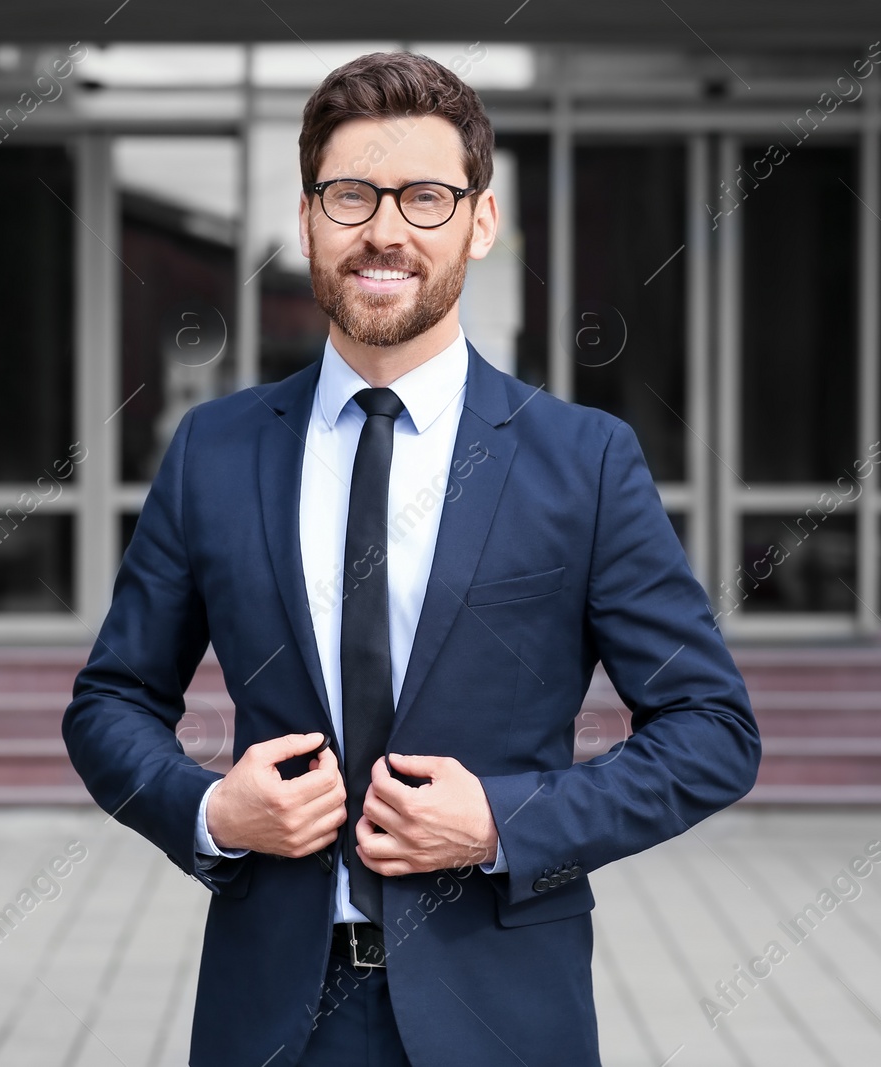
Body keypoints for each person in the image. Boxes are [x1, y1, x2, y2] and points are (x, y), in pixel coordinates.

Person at [63, 50, 760, 1067]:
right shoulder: (214, 450)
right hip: (273, 1016)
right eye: (351, 195)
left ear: (479, 223)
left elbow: (712, 730)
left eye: (424, 198)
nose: (385, 229)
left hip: (503, 1012)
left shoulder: (583, 460)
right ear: (306, 219)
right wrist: (210, 806)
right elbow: (109, 701)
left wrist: (502, 821)